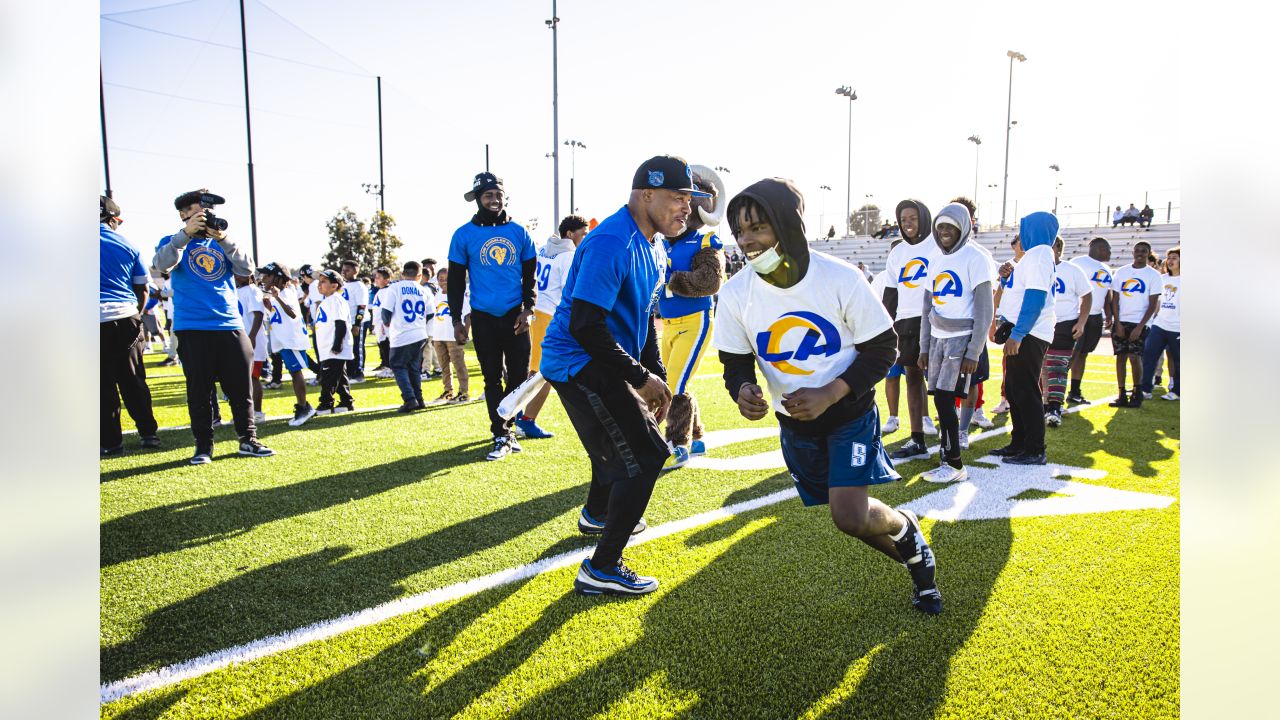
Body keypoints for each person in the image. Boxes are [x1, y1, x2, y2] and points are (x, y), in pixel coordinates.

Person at [714, 178, 941, 614]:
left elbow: (882, 348)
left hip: (849, 412)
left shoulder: (839, 276)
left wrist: (831, 392)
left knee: (849, 515)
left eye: (758, 227)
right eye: (740, 231)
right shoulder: (736, 291)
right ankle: (913, 550)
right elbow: (735, 362)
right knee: (850, 521)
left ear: (786, 223)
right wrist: (743, 391)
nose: (746, 241)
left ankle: (910, 542)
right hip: (794, 424)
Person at [540, 155, 696, 596]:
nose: (687, 208)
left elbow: (645, 319)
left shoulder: (653, 244)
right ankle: (603, 566)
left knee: (615, 444)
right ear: (646, 194)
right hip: (577, 359)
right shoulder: (612, 241)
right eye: (678, 198)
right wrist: (638, 378)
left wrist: (655, 376)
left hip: (598, 357)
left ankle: (596, 514)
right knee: (647, 453)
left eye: (690, 199)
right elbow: (585, 325)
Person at [152, 189, 273, 463]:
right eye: (198, 212)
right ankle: (204, 447)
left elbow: (247, 268)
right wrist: (185, 235)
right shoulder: (172, 241)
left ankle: (248, 439)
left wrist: (225, 239)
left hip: (229, 323)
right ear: (184, 215)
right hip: (192, 326)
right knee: (200, 391)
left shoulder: (221, 242)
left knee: (241, 389)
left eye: (207, 213)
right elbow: (162, 264)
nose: (205, 218)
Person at [447, 172, 538, 461]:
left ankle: (507, 428)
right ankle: (500, 433)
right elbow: (456, 283)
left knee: (520, 377)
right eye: (488, 195)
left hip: (516, 316)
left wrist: (528, 309)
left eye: (498, 194)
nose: (494, 200)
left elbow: (530, 278)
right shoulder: (463, 235)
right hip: (484, 316)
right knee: (491, 378)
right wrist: (456, 320)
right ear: (477, 199)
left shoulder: (520, 233)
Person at [917, 202, 995, 483]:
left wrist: (974, 350)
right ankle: (947, 457)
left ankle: (954, 464)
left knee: (946, 400)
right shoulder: (935, 258)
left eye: (951, 226)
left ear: (963, 227)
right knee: (940, 399)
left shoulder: (975, 258)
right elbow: (927, 306)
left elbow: (985, 309)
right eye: (940, 227)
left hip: (960, 340)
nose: (945, 231)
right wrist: (924, 347)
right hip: (937, 339)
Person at [656, 165, 726, 470]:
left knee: (672, 384)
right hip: (668, 324)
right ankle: (696, 437)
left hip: (694, 320)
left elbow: (711, 280)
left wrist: (670, 279)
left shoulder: (705, 240)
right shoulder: (660, 242)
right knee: (675, 379)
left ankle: (677, 442)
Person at [991, 212, 1058, 465]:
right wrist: (1008, 278)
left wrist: (1018, 334)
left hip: (1029, 332)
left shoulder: (1040, 254)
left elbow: (1035, 298)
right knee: (1014, 389)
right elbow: (1020, 292)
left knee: (1025, 390)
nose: (1021, 236)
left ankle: (1034, 448)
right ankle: (1019, 441)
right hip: (1024, 330)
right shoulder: (1034, 257)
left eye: (1024, 229)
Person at [517, 216, 590, 437]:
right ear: (570, 234)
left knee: (533, 370)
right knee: (545, 372)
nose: (585, 237)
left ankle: (519, 415)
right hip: (548, 316)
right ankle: (525, 419)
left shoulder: (543, 250)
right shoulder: (569, 256)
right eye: (583, 233)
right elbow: (572, 292)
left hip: (534, 313)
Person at [100, 195, 161, 455]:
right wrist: (134, 314)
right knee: (133, 380)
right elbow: (143, 289)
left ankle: (111, 443)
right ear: (112, 219)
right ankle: (148, 434)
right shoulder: (127, 244)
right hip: (125, 316)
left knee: (100, 386)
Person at [882, 199, 939, 462]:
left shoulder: (938, 245)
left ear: (924, 218)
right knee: (912, 378)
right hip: (906, 321)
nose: (907, 224)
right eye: (903, 219)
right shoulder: (897, 253)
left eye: (913, 218)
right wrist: (885, 327)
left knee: (942, 382)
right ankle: (917, 439)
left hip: (937, 319)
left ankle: (952, 437)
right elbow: (891, 295)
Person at [1041, 237, 1093, 427]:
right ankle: (1045, 403)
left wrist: (1081, 322)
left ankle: (1054, 407)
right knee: (1041, 367)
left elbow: (1087, 296)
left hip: (1064, 325)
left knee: (1058, 367)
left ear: (1059, 249)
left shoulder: (1072, 270)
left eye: (1051, 246)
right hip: (1040, 324)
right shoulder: (1037, 267)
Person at [1107, 241, 1162, 408]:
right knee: (1120, 357)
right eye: (1137, 250)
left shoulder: (1153, 275)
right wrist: (1117, 323)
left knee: (1134, 356)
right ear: (1132, 252)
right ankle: (1121, 394)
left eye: (1143, 251)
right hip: (1121, 322)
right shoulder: (1122, 272)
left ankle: (1137, 393)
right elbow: (1114, 299)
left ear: (1148, 253)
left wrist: (1140, 327)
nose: (1140, 253)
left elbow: (1152, 305)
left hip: (1140, 323)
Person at [260, 263, 315, 426]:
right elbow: (280, 317)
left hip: (292, 341)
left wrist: (276, 298)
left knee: (296, 373)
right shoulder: (278, 294)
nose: (263, 279)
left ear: (277, 277)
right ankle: (303, 406)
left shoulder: (287, 292)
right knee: (293, 373)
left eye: (267, 276)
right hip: (284, 341)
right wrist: (270, 308)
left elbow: (292, 313)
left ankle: (304, 407)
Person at [1066, 237, 1114, 404]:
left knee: (1083, 354)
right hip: (1078, 315)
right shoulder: (1078, 263)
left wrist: (1108, 313)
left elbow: (1107, 293)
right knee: (1071, 354)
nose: (1110, 253)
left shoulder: (1106, 268)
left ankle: (1074, 391)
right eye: (1108, 249)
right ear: (1100, 248)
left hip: (1095, 316)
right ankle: (1054, 392)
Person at [380, 260, 431, 412]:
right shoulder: (424, 290)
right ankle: (419, 399)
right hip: (420, 333)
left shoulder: (395, 288)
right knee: (413, 368)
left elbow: (385, 313)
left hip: (402, 333)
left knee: (398, 366)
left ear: (402, 274)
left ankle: (409, 399)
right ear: (419, 275)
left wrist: (387, 322)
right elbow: (430, 314)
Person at [312, 269, 356, 414]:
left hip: (334, 348)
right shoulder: (328, 301)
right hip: (327, 348)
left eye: (324, 281)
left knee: (328, 377)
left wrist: (337, 344)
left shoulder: (336, 300)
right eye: (319, 282)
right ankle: (346, 401)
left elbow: (340, 323)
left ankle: (326, 403)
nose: (319, 285)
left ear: (334, 285)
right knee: (339, 377)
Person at [1139, 246, 1180, 400]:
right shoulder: (1161, 279)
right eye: (1169, 258)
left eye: (1174, 258)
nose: (1170, 261)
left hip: (1178, 328)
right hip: (1159, 325)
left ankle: (1176, 391)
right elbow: (1156, 302)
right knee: (1149, 356)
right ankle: (1145, 389)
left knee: (1178, 361)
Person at [430, 267, 471, 404]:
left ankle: (464, 392)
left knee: (459, 365)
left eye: (447, 279)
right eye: (441, 280)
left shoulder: (458, 294)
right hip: (439, 335)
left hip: (453, 336)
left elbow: (467, 315)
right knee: (444, 366)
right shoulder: (437, 295)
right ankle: (448, 391)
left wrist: (465, 332)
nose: (444, 282)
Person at [234, 272, 268, 424]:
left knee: (253, 377)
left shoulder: (252, 289)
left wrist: (252, 336)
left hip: (252, 340)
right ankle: (246, 413)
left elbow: (258, 315)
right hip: (240, 339)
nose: (235, 276)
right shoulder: (237, 290)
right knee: (242, 378)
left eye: (239, 274)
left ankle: (258, 412)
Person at [337, 260, 368, 383]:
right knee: (348, 347)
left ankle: (358, 373)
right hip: (345, 321)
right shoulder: (342, 285)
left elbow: (362, 306)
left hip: (357, 321)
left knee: (357, 347)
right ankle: (350, 372)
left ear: (355, 271)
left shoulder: (359, 286)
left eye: (347, 270)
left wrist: (357, 324)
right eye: (343, 270)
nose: (343, 272)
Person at [420, 258, 444, 378]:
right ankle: (438, 367)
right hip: (434, 319)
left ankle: (426, 370)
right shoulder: (432, 285)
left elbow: (428, 308)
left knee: (427, 346)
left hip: (429, 320)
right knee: (432, 345)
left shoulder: (426, 288)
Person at [369, 267, 393, 376]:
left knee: (387, 345)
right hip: (379, 324)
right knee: (382, 345)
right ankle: (386, 365)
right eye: (375, 277)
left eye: (379, 278)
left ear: (387, 279)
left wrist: (385, 322)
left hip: (385, 325)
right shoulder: (380, 291)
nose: (376, 280)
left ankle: (390, 368)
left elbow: (387, 309)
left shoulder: (389, 291)